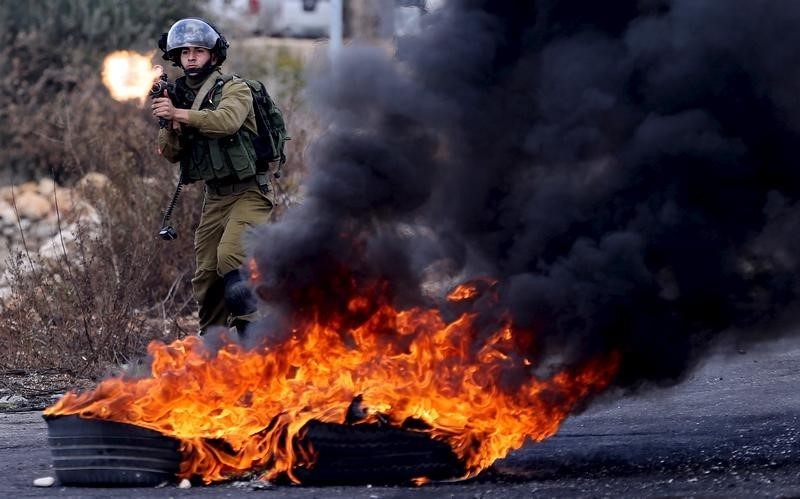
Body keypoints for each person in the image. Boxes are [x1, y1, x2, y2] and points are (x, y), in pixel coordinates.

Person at [152, 18, 272, 336]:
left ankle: (252, 341)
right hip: (215, 196)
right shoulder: (177, 96)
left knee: (231, 256)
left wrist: (179, 113)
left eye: (199, 51)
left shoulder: (235, 88)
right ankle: (213, 349)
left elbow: (226, 121)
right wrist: (169, 122)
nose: (191, 57)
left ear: (213, 56)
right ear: (176, 57)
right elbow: (171, 153)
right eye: (185, 51)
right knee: (206, 274)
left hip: (250, 192)